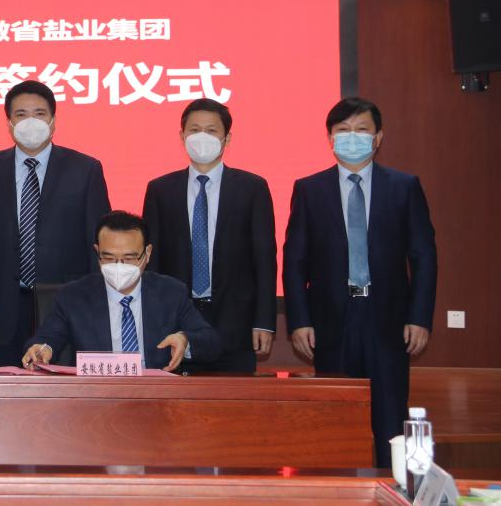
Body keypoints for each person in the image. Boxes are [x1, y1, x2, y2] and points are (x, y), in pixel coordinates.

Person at [284, 97, 437, 467]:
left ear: (378, 137)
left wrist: (419, 317)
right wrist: (299, 320)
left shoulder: (404, 186)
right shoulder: (309, 189)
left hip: (388, 320)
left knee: (390, 418)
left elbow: (424, 256)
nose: (352, 137)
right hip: (330, 321)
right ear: (330, 139)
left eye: (362, 129)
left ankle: (392, 484)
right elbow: (294, 260)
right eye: (343, 130)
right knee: (335, 417)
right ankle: (338, 487)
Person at [0, 79, 112, 366]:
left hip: (66, 304)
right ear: (9, 123)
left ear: (53, 121)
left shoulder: (85, 169)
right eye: (21, 114)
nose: (30, 121)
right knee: (13, 388)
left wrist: (95, 305)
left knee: (64, 389)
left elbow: (98, 244)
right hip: (6, 307)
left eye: (39, 113)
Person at [142, 98, 276, 373]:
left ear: (227, 138)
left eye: (211, 130)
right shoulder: (160, 190)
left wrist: (264, 321)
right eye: (194, 130)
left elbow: (264, 259)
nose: (202, 137)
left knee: (234, 398)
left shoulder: (253, 188)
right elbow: (152, 261)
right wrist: (154, 318)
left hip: (236, 322)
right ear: (182, 136)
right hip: (176, 324)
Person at [23, 211, 220, 371]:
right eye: (109, 257)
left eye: (129, 258)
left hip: (156, 397)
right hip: (97, 397)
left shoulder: (171, 293)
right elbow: (47, 339)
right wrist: (42, 349)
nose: (119, 266)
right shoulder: (73, 296)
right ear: (97, 252)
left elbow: (211, 342)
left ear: (147, 254)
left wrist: (185, 340)